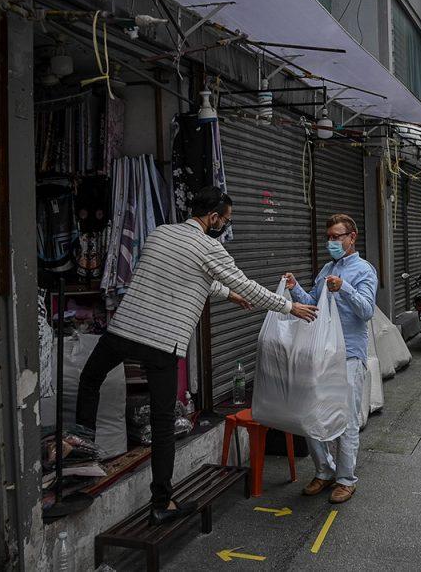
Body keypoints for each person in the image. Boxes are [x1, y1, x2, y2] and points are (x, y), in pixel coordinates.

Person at [76, 186, 318, 525]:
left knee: (89, 379)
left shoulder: (160, 233)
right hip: (161, 343)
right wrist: (289, 307)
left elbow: (190, 275)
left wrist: (227, 295)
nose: (225, 226)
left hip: (123, 331)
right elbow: (246, 284)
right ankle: (162, 503)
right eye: (226, 220)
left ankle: (79, 449)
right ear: (214, 217)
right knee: (163, 426)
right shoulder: (209, 246)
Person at [283, 214, 378, 504]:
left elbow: (366, 311)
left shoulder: (364, 270)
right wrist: (295, 288)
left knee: (346, 419)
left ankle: (346, 480)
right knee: (312, 415)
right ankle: (324, 471)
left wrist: (345, 288)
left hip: (349, 354)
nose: (332, 242)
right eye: (329, 237)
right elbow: (312, 303)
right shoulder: (326, 268)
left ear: (352, 237)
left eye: (338, 236)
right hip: (322, 354)